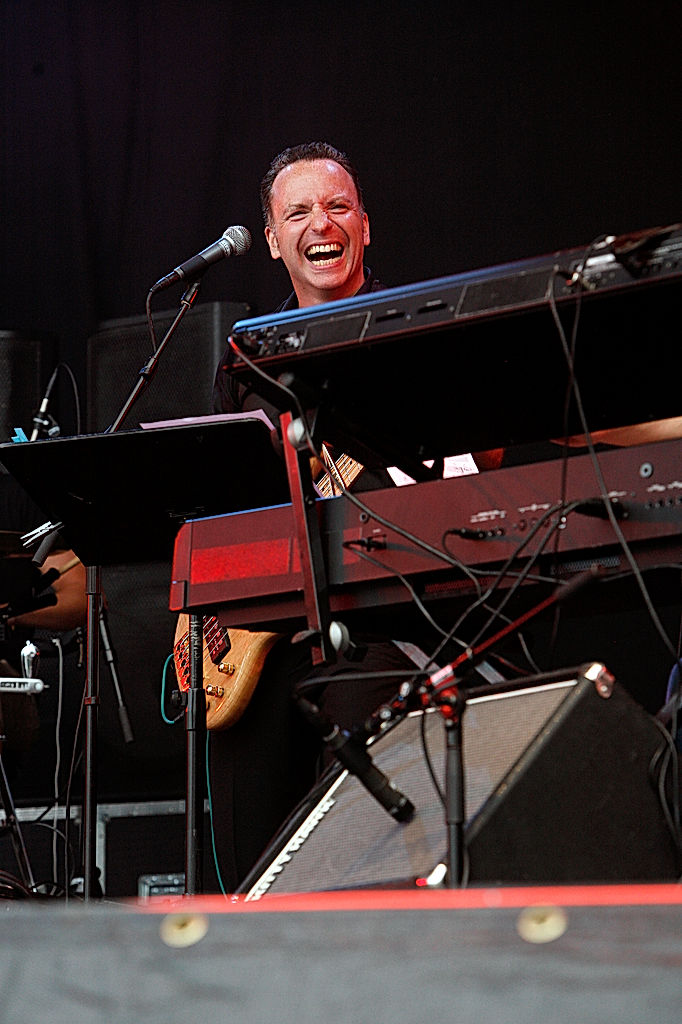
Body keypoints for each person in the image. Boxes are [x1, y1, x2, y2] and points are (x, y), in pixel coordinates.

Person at [209, 143, 430, 892]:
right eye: (297, 212)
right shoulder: (247, 361)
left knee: (356, 848)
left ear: (365, 226)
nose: (320, 223)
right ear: (272, 241)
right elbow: (224, 511)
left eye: (336, 206)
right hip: (269, 639)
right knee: (249, 853)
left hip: (379, 621)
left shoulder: (417, 332)